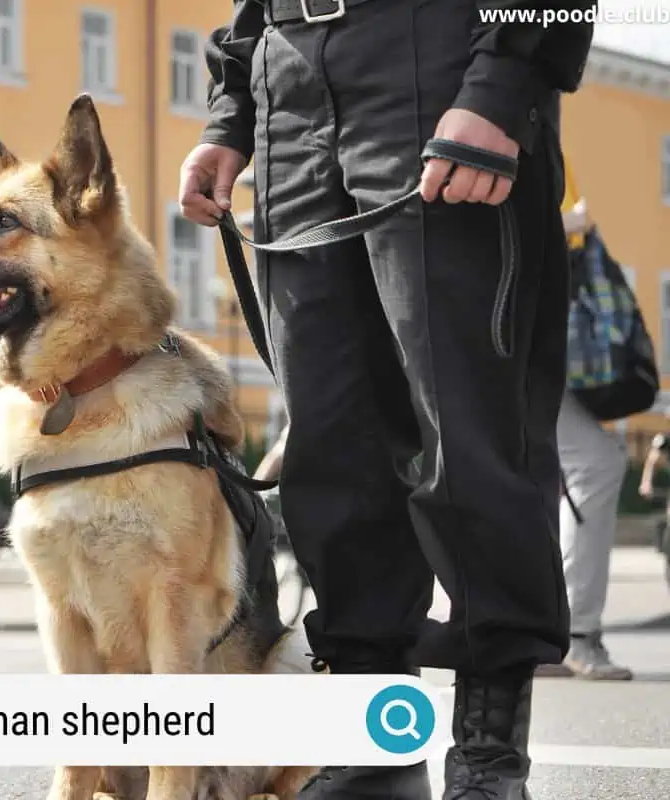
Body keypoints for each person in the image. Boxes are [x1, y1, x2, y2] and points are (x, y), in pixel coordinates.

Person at [178, 3, 594, 799]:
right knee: (331, 447)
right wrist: (233, 112)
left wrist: (505, 80)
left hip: (439, 58)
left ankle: (488, 753)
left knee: (467, 439)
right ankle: (374, 738)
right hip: (290, 85)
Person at [548, 167, 633, 681]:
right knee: (597, 463)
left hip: (525, 332)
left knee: (539, 478)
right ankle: (572, 633)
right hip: (507, 333)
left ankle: (546, 635)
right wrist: (567, 224)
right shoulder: (505, 104)